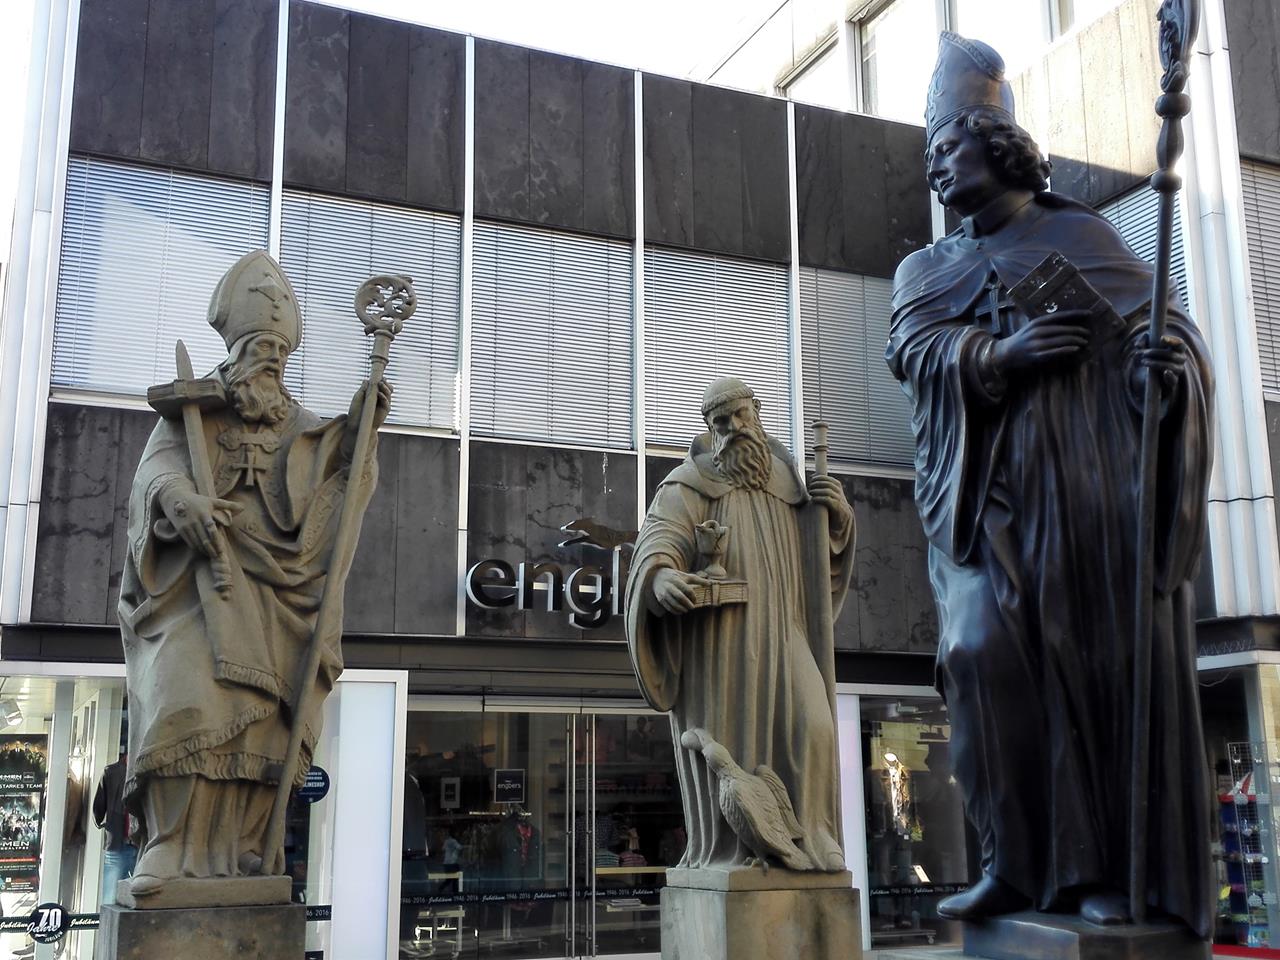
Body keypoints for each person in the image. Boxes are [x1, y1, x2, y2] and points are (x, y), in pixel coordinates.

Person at [886, 33, 1213, 934]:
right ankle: (1013, 865)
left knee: (1085, 669)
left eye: (947, 145)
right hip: (979, 496)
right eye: (928, 152)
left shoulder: (1080, 236)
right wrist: (1000, 354)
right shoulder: (926, 269)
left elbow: (1158, 341)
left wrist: (1160, 373)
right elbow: (911, 352)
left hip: (1075, 492)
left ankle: (1098, 872)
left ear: (998, 144)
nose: (935, 167)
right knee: (980, 657)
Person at [118, 250, 390, 898]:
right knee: (184, 696)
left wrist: (361, 431)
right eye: (259, 348)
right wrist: (179, 502)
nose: (270, 360)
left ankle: (243, 848)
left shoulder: (299, 424)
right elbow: (155, 474)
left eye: (279, 352)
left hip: (276, 594)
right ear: (235, 349)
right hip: (197, 587)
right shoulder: (192, 410)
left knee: (268, 722)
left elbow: (337, 478)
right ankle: (171, 847)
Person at [625, 377, 854, 872]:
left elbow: (820, 562)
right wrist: (660, 577)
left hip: (787, 629)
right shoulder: (689, 483)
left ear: (757, 410)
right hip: (721, 642)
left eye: (739, 414)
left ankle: (813, 833)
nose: (733, 427)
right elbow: (658, 541)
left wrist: (836, 517)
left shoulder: (789, 482)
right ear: (710, 429)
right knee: (735, 745)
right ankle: (741, 846)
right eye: (720, 422)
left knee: (815, 725)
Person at [93, 750, 138, 904]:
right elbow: (99, 805)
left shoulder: (145, 773)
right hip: (119, 842)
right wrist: (102, 822)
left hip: (139, 844)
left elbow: (98, 807)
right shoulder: (111, 772)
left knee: (138, 897)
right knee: (111, 897)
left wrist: (102, 821)